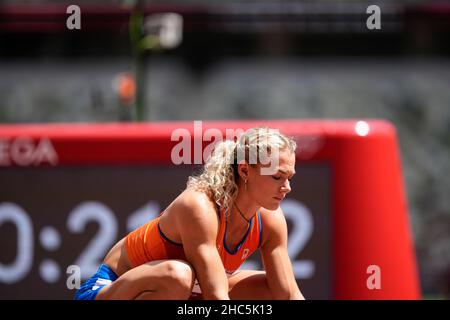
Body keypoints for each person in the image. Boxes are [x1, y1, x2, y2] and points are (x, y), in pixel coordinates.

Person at [75, 126, 305, 300]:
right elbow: (216, 296)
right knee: (178, 276)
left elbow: (289, 294)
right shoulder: (199, 206)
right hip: (103, 291)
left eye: (289, 178)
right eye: (277, 177)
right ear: (245, 170)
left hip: (187, 294)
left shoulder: (271, 219)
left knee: (271, 291)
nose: (287, 187)